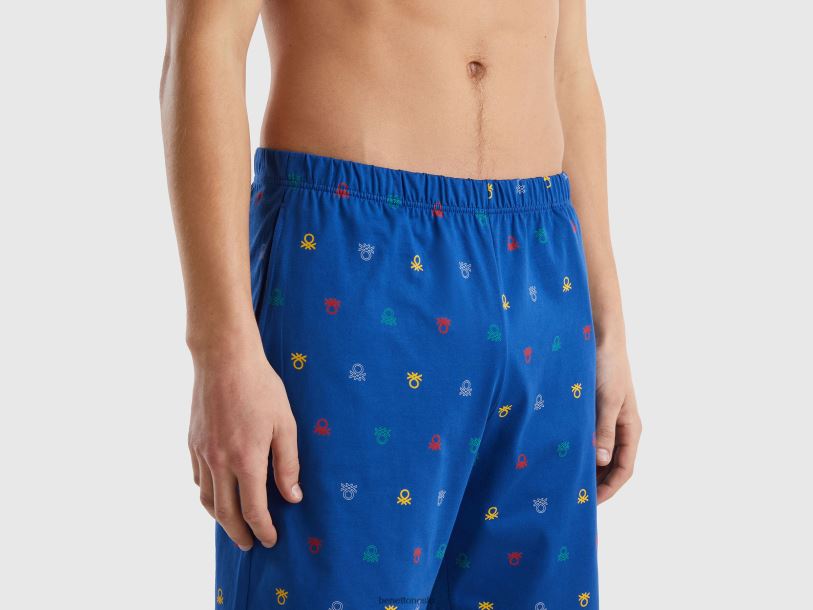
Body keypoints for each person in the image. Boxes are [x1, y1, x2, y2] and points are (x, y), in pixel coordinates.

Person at [160, 1, 642, 608]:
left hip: (544, 270)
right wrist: (221, 351)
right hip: (356, 256)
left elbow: (567, 67)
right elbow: (205, 42)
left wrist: (609, 329)